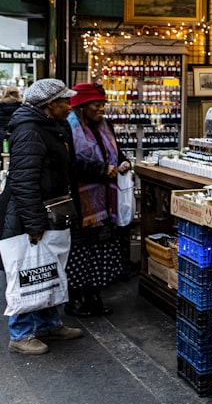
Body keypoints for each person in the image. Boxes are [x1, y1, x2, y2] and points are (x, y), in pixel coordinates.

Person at [0, 78, 84, 355]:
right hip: (32, 214)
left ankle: (48, 323)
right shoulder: (29, 131)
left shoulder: (50, 127)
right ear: (49, 105)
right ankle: (21, 333)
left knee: (47, 266)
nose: (69, 107)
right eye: (65, 102)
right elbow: (24, 181)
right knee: (27, 268)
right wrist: (33, 223)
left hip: (52, 209)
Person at [65, 83, 130, 318]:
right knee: (80, 251)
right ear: (82, 106)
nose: (101, 108)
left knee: (101, 250)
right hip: (82, 204)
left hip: (105, 202)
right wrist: (102, 169)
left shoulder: (105, 126)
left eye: (103, 104)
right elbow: (70, 165)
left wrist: (123, 162)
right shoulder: (68, 127)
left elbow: (115, 152)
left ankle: (94, 295)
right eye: (96, 104)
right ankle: (76, 299)